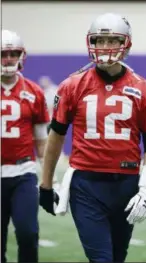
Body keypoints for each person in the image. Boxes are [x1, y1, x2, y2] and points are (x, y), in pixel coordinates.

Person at [39, 13, 146, 262]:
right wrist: (45, 184)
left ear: (126, 44)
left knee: (117, 257)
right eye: (100, 40)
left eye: (113, 40)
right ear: (92, 43)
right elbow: (55, 137)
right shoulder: (72, 86)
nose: (106, 47)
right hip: (86, 184)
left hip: (127, 185)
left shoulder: (145, 89)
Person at [1, 29, 50, 263]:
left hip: (23, 172)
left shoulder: (34, 92)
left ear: (21, 55)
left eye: (13, 53)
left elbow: (41, 139)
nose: (8, 58)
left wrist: (50, 177)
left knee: (28, 233)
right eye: (3, 54)